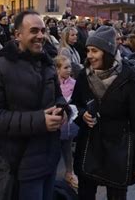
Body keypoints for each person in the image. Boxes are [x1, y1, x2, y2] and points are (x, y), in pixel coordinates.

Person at [0, 10, 67, 200]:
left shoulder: (48, 64)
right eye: (34, 30)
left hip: (50, 158)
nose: (41, 36)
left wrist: (63, 110)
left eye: (43, 30)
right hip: (20, 165)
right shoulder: (0, 67)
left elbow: (58, 97)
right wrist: (39, 121)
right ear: (17, 35)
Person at [71, 25, 135, 200]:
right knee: (85, 195)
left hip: (118, 151)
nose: (89, 56)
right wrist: (82, 114)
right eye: (88, 51)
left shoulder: (128, 78)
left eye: (94, 51)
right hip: (89, 148)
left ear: (107, 52)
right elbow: (75, 104)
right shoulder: (84, 76)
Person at [54, 55, 79, 189]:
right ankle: (51, 176)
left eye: (70, 67)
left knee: (67, 149)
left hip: (70, 124)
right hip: (57, 124)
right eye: (66, 67)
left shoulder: (74, 83)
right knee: (54, 151)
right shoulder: (53, 84)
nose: (69, 70)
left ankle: (69, 173)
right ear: (57, 69)